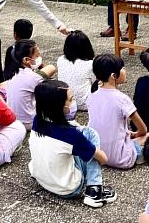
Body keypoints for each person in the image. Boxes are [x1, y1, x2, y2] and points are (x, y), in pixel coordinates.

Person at [28, 80, 116, 208]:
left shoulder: (37, 121)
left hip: (41, 179)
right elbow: (103, 159)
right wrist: (95, 152)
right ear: (59, 106)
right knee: (91, 134)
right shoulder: (71, 135)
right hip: (68, 189)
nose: (73, 102)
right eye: (70, 99)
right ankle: (94, 191)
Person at [86, 54, 147, 169]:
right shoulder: (122, 99)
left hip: (98, 156)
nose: (125, 71)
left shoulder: (91, 96)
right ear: (113, 75)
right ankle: (138, 155)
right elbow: (143, 129)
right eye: (122, 68)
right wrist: (135, 134)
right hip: (122, 159)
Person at [5, 39, 54, 130]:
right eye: (37, 55)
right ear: (26, 60)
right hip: (29, 122)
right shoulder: (34, 77)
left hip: (13, 120)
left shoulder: (12, 74)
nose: (40, 57)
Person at [57, 30, 96, 111]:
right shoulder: (90, 64)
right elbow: (95, 83)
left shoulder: (60, 60)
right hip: (85, 104)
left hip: (65, 102)